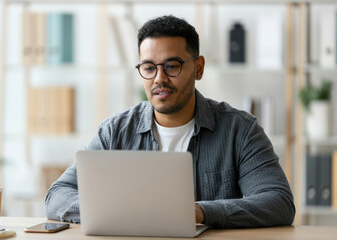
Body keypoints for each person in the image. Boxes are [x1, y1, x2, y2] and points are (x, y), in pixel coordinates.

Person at [44, 15, 295, 228]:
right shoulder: (115, 131)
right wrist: (118, 212)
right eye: (149, 68)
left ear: (198, 68)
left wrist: (198, 212)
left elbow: (278, 202)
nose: (159, 79)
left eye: (171, 66)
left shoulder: (240, 130)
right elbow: (57, 196)